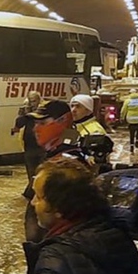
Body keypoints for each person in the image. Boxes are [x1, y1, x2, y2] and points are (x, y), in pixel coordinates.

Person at [25, 156, 138, 274]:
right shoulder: (116, 235)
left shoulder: (56, 257)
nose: (33, 203)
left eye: (38, 197)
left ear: (58, 207)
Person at [26, 100, 87, 243]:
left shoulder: (68, 163)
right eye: (35, 124)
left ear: (62, 121)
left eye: (42, 123)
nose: (35, 129)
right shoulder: (54, 155)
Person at [12, 92, 46, 189]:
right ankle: (32, 188)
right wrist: (23, 113)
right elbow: (19, 124)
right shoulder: (27, 111)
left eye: (34, 101)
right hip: (29, 145)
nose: (32, 104)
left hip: (41, 145)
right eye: (30, 101)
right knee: (30, 169)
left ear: (39, 100)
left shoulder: (43, 109)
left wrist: (31, 113)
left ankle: (38, 188)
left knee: (40, 169)